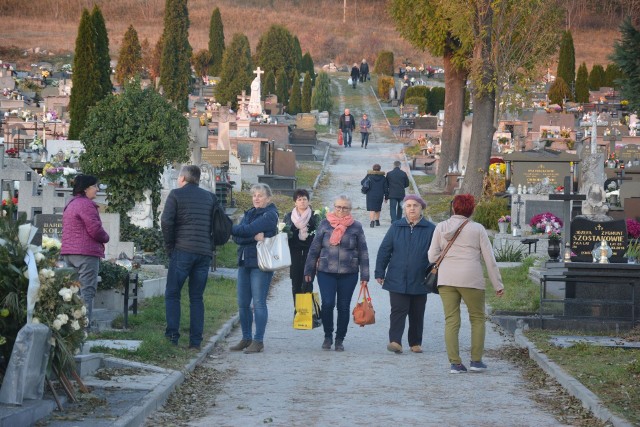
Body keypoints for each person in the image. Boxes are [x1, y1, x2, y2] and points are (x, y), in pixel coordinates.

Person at [427, 194, 505, 374]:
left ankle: (455, 363)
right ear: (471, 210)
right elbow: (489, 259)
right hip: (471, 278)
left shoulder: (441, 227)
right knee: (477, 319)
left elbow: (432, 256)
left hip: (446, 279)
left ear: (453, 208)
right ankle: (476, 361)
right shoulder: (478, 229)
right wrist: (497, 284)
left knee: (451, 320)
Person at [161, 165, 217, 350]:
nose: (178, 179)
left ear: (183, 178)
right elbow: (217, 224)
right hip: (203, 253)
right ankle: (195, 341)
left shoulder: (176, 195)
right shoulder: (210, 197)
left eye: (179, 176)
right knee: (196, 297)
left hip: (183, 250)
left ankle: (172, 336)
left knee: (173, 293)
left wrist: (170, 246)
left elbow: (166, 221)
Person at [304, 195, 369, 352]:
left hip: (349, 273)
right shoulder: (325, 224)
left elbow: (363, 251)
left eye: (345, 208)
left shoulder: (356, 227)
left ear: (350, 210)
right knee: (327, 304)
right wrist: (309, 269)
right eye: (338, 207)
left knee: (343, 306)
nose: (341, 210)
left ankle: (340, 339)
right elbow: (314, 248)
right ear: (334, 207)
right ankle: (328, 336)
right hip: (326, 271)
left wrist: (364, 275)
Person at [375, 195, 435, 354]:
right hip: (397, 277)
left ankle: (415, 342)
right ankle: (395, 341)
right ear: (404, 208)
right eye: (408, 205)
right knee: (398, 310)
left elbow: (437, 253)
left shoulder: (430, 229)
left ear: (421, 208)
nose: (412, 208)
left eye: (415, 205)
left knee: (417, 312)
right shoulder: (396, 226)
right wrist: (379, 272)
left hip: (420, 278)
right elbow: (385, 250)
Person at [229, 183, 279, 354]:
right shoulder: (250, 212)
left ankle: (258, 341)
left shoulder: (270, 215)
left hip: (261, 264)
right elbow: (238, 237)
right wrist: (251, 237)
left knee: (258, 303)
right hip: (244, 261)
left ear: (268, 198)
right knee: (242, 303)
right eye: (254, 195)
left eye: (260, 195)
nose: (256, 198)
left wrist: (233, 229)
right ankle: (246, 338)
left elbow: (245, 230)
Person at [61, 174, 110, 328]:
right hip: (86, 253)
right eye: (95, 186)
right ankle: (84, 327)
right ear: (86, 188)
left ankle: (71, 327)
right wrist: (106, 237)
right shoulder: (86, 204)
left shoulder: (71, 203)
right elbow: (95, 229)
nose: (97, 189)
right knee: (86, 292)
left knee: (72, 292)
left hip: (70, 252)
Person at [283, 189, 319, 308]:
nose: (302, 202)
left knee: (308, 282)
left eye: (304, 199)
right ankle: (298, 311)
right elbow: (283, 235)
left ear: (308, 201)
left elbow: (319, 236)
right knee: (296, 283)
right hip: (295, 253)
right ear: (295, 202)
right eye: (299, 199)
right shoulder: (289, 217)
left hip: (310, 254)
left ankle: (307, 312)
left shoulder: (315, 216)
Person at [361, 164, 388, 228]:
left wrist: (367, 176)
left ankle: (372, 222)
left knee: (372, 209)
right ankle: (377, 221)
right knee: (378, 208)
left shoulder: (369, 176)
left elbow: (362, 182)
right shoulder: (383, 178)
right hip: (380, 195)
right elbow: (386, 188)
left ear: (373, 169)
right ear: (379, 169)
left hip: (370, 194)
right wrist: (386, 197)